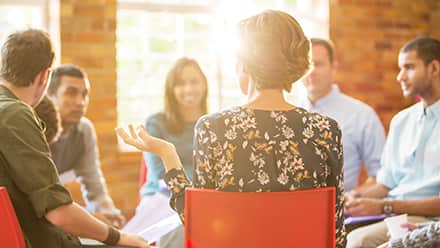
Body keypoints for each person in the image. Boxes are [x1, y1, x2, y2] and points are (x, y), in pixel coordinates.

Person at [117, 10, 346, 247]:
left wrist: (167, 153)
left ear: (244, 64)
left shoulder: (214, 128)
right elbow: (336, 235)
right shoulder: (326, 129)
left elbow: (200, 226)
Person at [0, 29, 148, 247]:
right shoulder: (16, 114)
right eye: (71, 93)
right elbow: (58, 213)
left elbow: (91, 188)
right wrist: (119, 237)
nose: (80, 102)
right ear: (45, 77)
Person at [345, 36, 440, 248]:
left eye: (408, 67)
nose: (400, 77)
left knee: (358, 242)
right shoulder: (401, 121)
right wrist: (355, 196)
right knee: (331, 232)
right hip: (394, 214)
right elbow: (386, 183)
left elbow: (386, 199)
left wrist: (385, 207)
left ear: (434, 68)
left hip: (428, 220)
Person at [123, 57, 208, 247]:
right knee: (179, 227)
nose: (188, 89)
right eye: (180, 83)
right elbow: (161, 173)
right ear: (171, 89)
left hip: (202, 197)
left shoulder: (212, 124)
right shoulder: (156, 123)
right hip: (161, 197)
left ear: (204, 85)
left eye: (194, 81)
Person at [292, 38, 386, 191]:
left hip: (342, 212)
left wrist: (352, 199)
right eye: (306, 65)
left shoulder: (362, 115)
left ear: (333, 68)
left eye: (318, 64)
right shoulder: (288, 114)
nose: (311, 71)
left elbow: (381, 177)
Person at [47, 64, 125, 227]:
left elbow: (94, 186)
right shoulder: (33, 129)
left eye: (84, 94)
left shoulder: (84, 130)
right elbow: (46, 200)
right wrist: (91, 218)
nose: (80, 102)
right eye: (71, 93)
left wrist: (108, 212)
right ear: (49, 94)